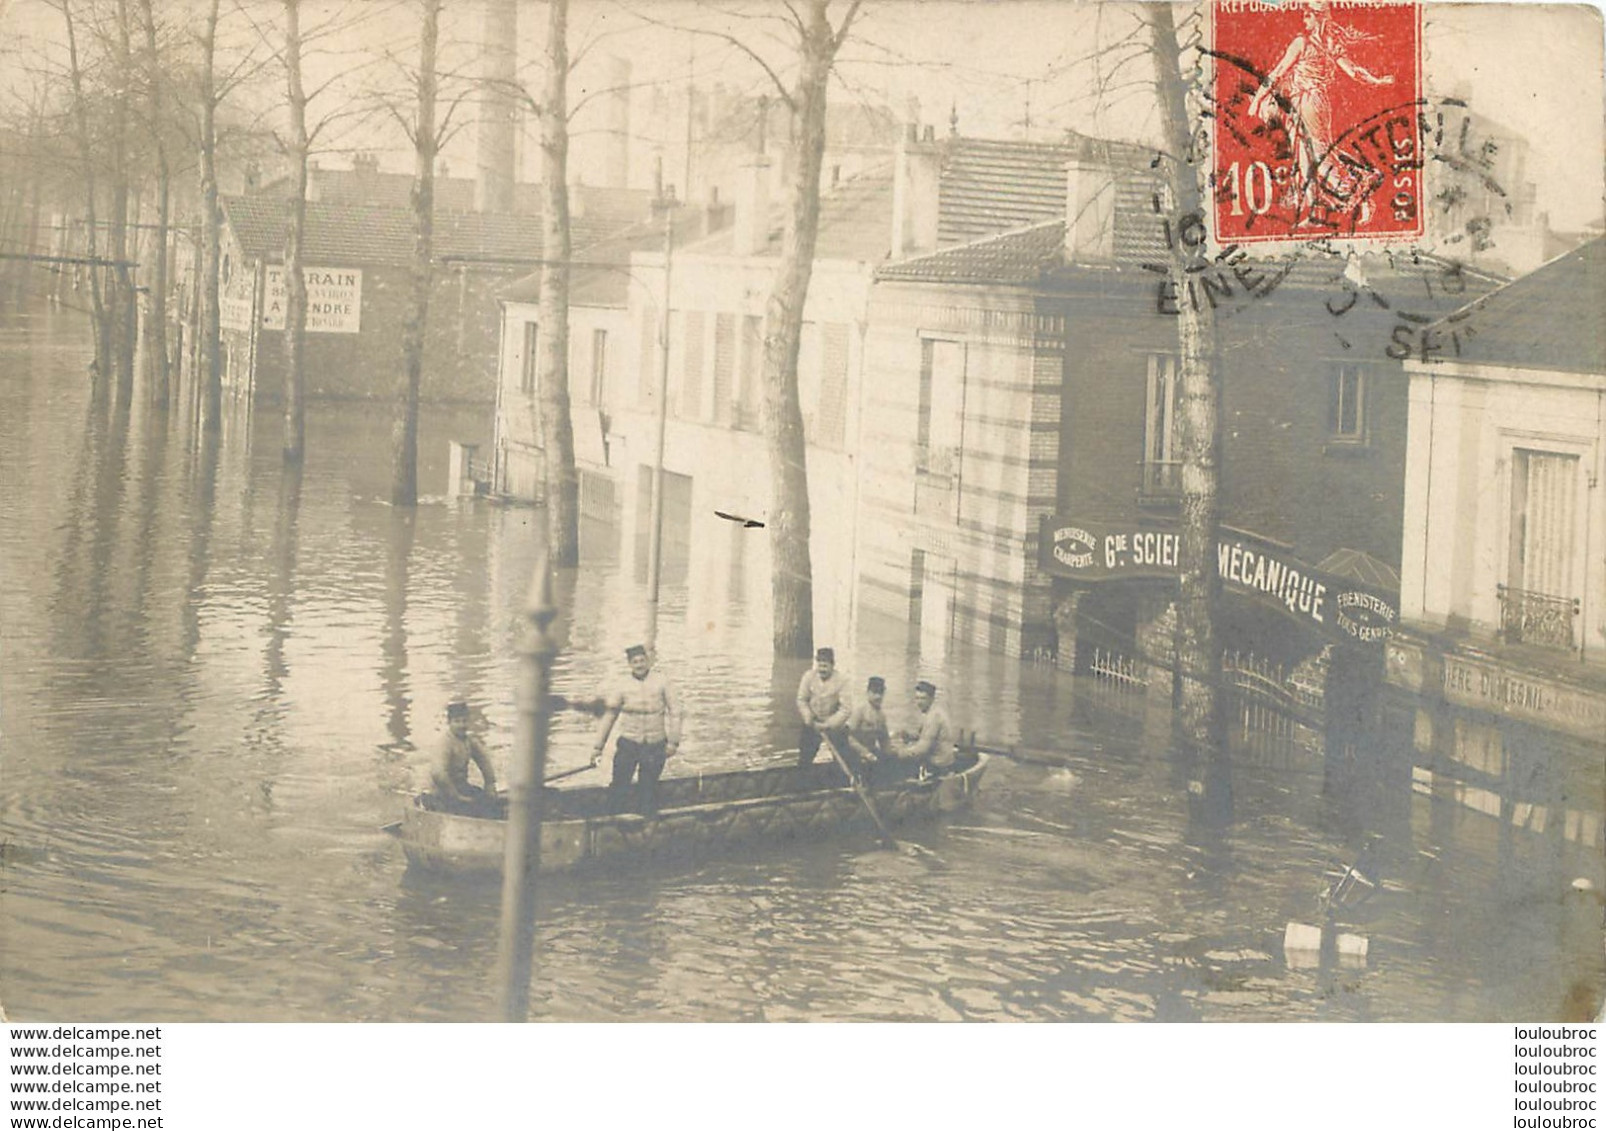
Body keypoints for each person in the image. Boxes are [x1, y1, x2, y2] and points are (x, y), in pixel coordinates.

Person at [1247, 3, 1394, 218]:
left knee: (1319, 155)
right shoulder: (1330, 45)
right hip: (1318, 102)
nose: (1304, 20)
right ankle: (1311, 200)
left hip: (1306, 101)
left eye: (1308, 16)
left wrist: (1255, 102)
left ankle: (1354, 186)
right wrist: (1377, 80)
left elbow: (1277, 72)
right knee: (1311, 151)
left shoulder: (1301, 42)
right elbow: (1354, 71)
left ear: (1318, 18)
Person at [592, 644, 682, 814]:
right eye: (635, 662)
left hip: (655, 745)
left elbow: (676, 711)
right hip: (629, 744)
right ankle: (615, 823)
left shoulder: (662, 681)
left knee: (648, 789)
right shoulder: (622, 686)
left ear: (648, 661)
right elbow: (609, 716)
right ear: (629, 664)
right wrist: (598, 747)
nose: (639, 665)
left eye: (642, 661)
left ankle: (645, 826)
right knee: (619, 785)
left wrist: (673, 742)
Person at [430, 701, 500, 816]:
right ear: (449, 722)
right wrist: (456, 796)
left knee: (490, 800)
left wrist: (490, 784)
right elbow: (438, 773)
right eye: (457, 721)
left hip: (462, 787)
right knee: (475, 809)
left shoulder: (468, 740)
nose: (462, 725)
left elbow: (484, 760)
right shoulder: (445, 744)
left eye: (464, 721)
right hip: (444, 793)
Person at [795, 647, 850, 769]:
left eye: (825, 666)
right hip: (812, 723)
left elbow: (846, 709)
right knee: (804, 758)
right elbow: (801, 699)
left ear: (832, 665)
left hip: (834, 726)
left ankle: (841, 781)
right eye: (820, 666)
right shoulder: (808, 676)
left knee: (842, 760)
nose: (822, 670)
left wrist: (828, 725)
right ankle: (803, 782)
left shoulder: (842, 680)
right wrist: (808, 716)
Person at [889, 680, 957, 778]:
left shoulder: (934, 717)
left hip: (937, 766)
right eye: (917, 698)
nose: (919, 702)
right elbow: (925, 736)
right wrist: (907, 734)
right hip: (941, 761)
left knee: (893, 762)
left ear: (931, 699)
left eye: (923, 699)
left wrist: (899, 753)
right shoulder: (935, 711)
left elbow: (922, 749)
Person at [843, 675, 892, 781]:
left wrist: (891, 754)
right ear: (868, 693)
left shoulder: (881, 715)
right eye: (874, 693)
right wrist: (865, 753)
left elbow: (884, 740)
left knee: (891, 763)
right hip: (854, 752)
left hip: (871, 750)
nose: (878, 697)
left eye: (880, 693)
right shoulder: (859, 711)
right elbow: (849, 738)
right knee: (865, 766)